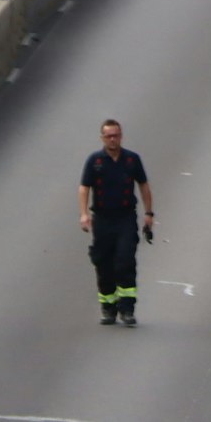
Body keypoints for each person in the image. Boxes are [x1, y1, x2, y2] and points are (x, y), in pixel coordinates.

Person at [77, 119, 154, 326]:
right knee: (103, 264)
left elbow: (144, 185)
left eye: (116, 135)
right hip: (102, 220)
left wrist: (149, 213)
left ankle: (127, 309)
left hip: (125, 218)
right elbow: (84, 188)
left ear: (121, 136)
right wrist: (84, 214)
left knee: (125, 261)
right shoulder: (95, 161)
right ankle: (108, 307)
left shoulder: (131, 160)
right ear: (102, 138)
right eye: (109, 136)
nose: (113, 139)